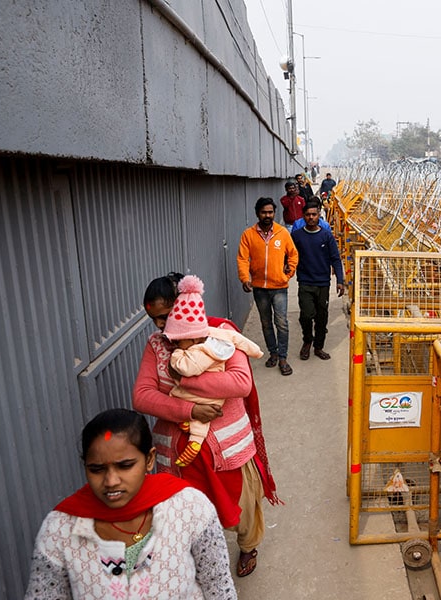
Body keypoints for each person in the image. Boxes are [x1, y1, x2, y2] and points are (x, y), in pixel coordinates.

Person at [134, 273, 280, 578]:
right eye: (154, 319)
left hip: (227, 448)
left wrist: (186, 377)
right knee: (188, 516)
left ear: (182, 305)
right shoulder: (157, 345)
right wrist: (190, 409)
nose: (160, 326)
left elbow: (241, 382)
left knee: (241, 508)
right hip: (179, 454)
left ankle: (248, 545)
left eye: (164, 316)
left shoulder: (221, 333)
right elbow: (142, 397)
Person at [25, 408, 237, 599]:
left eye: (125, 466)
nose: (111, 481)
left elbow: (218, 585)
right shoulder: (60, 530)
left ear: (150, 459)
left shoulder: (189, 507)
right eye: (96, 469)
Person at [164, 275, 264, 467]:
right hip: (208, 404)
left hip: (228, 440)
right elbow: (239, 340)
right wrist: (256, 351)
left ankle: (194, 438)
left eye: (178, 340)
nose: (173, 342)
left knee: (187, 400)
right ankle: (190, 430)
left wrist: (177, 364)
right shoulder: (220, 336)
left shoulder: (200, 350)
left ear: (192, 337)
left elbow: (242, 384)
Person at [237, 197, 298, 375]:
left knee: (282, 323)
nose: (267, 215)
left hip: (279, 287)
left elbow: (293, 255)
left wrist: (288, 273)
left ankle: (283, 357)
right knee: (266, 323)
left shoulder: (282, 233)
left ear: (274, 213)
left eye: (270, 212)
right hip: (259, 288)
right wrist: (244, 278)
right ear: (257, 213)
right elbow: (242, 258)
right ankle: (273, 353)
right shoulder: (248, 234)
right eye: (264, 212)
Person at [291, 201, 345, 361]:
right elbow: (289, 256)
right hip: (305, 282)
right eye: (308, 215)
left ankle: (318, 347)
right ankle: (307, 341)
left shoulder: (326, 236)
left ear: (319, 215)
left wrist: (340, 281)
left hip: (323, 283)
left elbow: (335, 258)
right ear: (303, 216)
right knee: (306, 315)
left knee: (322, 317)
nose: (311, 217)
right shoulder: (297, 236)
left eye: (314, 214)